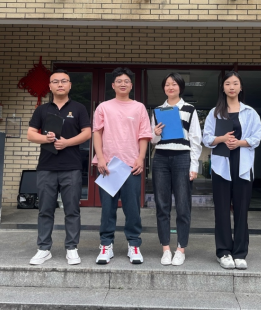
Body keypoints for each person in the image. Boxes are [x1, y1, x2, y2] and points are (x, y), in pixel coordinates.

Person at [27, 69, 92, 265]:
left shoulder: (79, 108)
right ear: (50, 86)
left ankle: (71, 248)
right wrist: (45, 138)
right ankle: (43, 248)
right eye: (55, 81)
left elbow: (87, 133)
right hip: (46, 167)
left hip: (71, 167)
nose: (60, 84)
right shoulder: (42, 110)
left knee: (72, 210)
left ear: (70, 85)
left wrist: (67, 143)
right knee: (45, 210)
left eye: (64, 81)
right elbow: (30, 134)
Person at [202, 71, 261, 270]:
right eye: (228, 83)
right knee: (221, 210)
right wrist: (222, 139)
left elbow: (256, 138)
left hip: (243, 165)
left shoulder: (250, 112)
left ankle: (240, 253)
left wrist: (239, 143)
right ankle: (223, 252)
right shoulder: (215, 112)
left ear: (240, 87)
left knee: (241, 210)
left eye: (235, 83)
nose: (232, 87)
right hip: (221, 166)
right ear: (223, 87)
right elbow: (206, 138)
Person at [92, 67, 152, 264]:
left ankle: (134, 245)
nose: (123, 84)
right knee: (107, 209)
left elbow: (144, 135)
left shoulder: (139, 108)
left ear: (131, 85)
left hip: (131, 166)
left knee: (132, 209)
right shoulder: (103, 107)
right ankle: (106, 245)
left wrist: (141, 158)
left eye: (126, 81)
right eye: (119, 81)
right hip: (109, 166)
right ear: (113, 85)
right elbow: (97, 132)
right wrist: (100, 158)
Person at [151, 73, 202, 266]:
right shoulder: (158, 110)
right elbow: (153, 140)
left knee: (183, 205)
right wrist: (155, 133)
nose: (170, 87)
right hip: (161, 158)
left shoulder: (189, 109)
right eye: (167, 84)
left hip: (182, 158)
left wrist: (194, 165)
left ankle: (181, 249)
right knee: (162, 205)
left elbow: (195, 139)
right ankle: (165, 249)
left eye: (174, 84)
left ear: (180, 87)